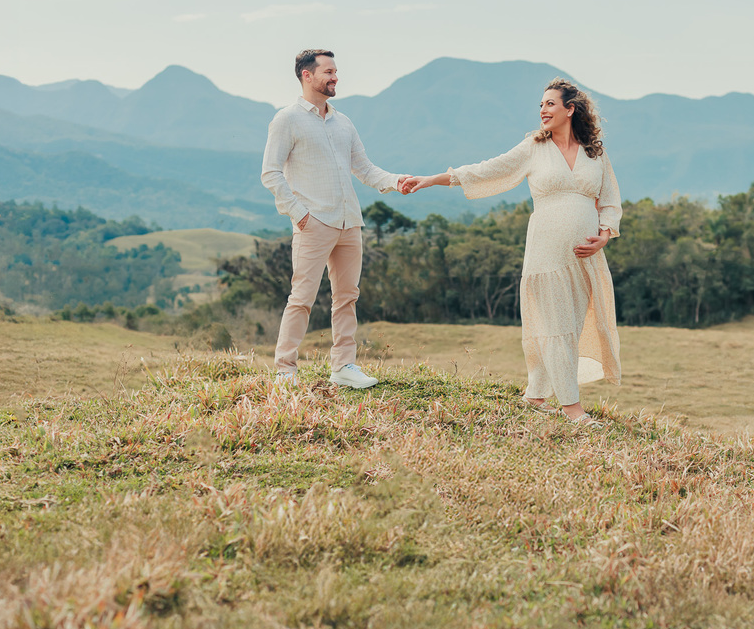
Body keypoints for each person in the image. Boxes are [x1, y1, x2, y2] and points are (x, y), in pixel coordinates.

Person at [402, 78, 621, 420]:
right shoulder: (534, 147)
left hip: (583, 258)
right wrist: (432, 179)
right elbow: (487, 170)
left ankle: (536, 397)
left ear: (570, 109)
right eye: (541, 104)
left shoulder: (596, 152)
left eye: (550, 104)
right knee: (556, 327)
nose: (542, 110)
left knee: (569, 329)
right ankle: (571, 407)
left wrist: (604, 236)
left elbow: (609, 201)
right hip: (546, 252)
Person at [261, 49, 412, 388]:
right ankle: (285, 370)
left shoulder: (344, 122)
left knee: (347, 297)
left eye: (335, 71)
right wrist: (299, 215)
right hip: (313, 224)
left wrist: (395, 181)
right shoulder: (286, 119)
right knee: (301, 299)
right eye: (328, 71)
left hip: (349, 222)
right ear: (307, 76)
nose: (335, 77)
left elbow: (365, 168)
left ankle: (344, 366)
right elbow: (270, 173)